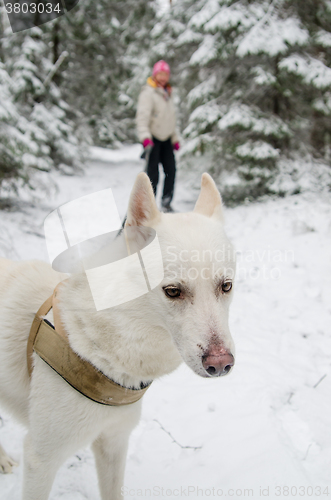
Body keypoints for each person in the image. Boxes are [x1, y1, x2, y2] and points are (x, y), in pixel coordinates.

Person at [136, 60, 180, 213]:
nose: (163, 77)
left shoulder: (168, 93)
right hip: (152, 139)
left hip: (167, 139)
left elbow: (171, 119)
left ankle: (166, 202)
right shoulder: (149, 93)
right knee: (152, 175)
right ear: (155, 75)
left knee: (171, 171)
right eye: (160, 74)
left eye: (165, 74)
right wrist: (145, 137)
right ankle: (149, 206)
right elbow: (142, 117)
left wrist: (175, 138)